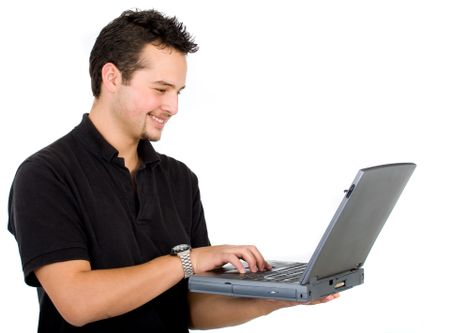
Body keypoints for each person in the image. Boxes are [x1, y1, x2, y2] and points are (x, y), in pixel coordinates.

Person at [7, 9, 338, 332]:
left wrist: (283, 297)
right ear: (112, 77)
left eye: (177, 92)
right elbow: (78, 303)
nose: (173, 107)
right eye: (160, 89)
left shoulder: (180, 180)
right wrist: (186, 261)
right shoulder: (46, 175)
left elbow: (192, 308)